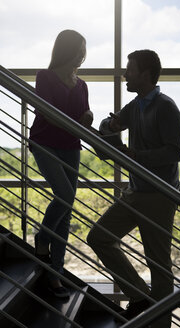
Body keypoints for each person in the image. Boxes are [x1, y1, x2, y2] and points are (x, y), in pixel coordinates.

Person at [87, 49, 180, 327]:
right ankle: (140, 296)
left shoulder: (166, 107)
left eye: (129, 69)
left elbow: (175, 152)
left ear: (145, 73)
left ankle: (159, 323)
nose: (125, 74)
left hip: (159, 195)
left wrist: (136, 156)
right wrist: (110, 123)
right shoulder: (136, 104)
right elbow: (112, 127)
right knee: (99, 237)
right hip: (134, 192)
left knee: (159, 264)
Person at [29, 29, 93, 298]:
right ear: (66, 50)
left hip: (71, 146)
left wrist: (87, 116)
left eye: (84, 50)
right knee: (65, 196)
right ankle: (42, 239)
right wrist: (72, 122)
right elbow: (46, 111)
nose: (82, 55)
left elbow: (82, 115)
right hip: (45, 142)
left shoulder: (81, 84)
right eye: (78, 49)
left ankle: (54, 275)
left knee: (65, 214)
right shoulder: (45, 77)